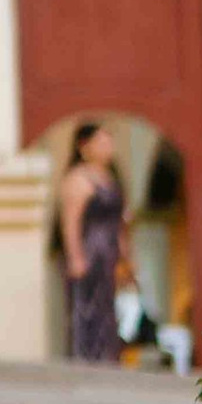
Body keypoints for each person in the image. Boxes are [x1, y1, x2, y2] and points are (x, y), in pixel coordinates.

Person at [57, 120, 127, 362]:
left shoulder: (110, 178)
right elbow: (71, 221)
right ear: (84, 146)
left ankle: (107, 357)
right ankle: (85, 357)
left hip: (108, 252)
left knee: (107, 308)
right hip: (89, 250)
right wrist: (76, 257)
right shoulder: (78, 179)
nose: (108, 147)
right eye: (102, 141)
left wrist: (125, 253)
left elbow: (118, 221)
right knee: (86, 307)